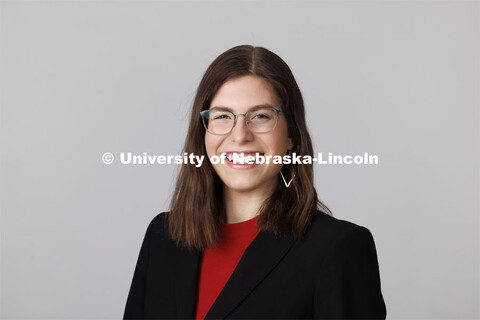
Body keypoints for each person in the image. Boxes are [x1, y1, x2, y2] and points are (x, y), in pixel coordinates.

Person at [123, 45, 387, 319]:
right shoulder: (163, 237)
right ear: (202, 133)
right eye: (223, 116)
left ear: (291, 136)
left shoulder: (338, 249)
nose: (240, 135)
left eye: (260, 116)